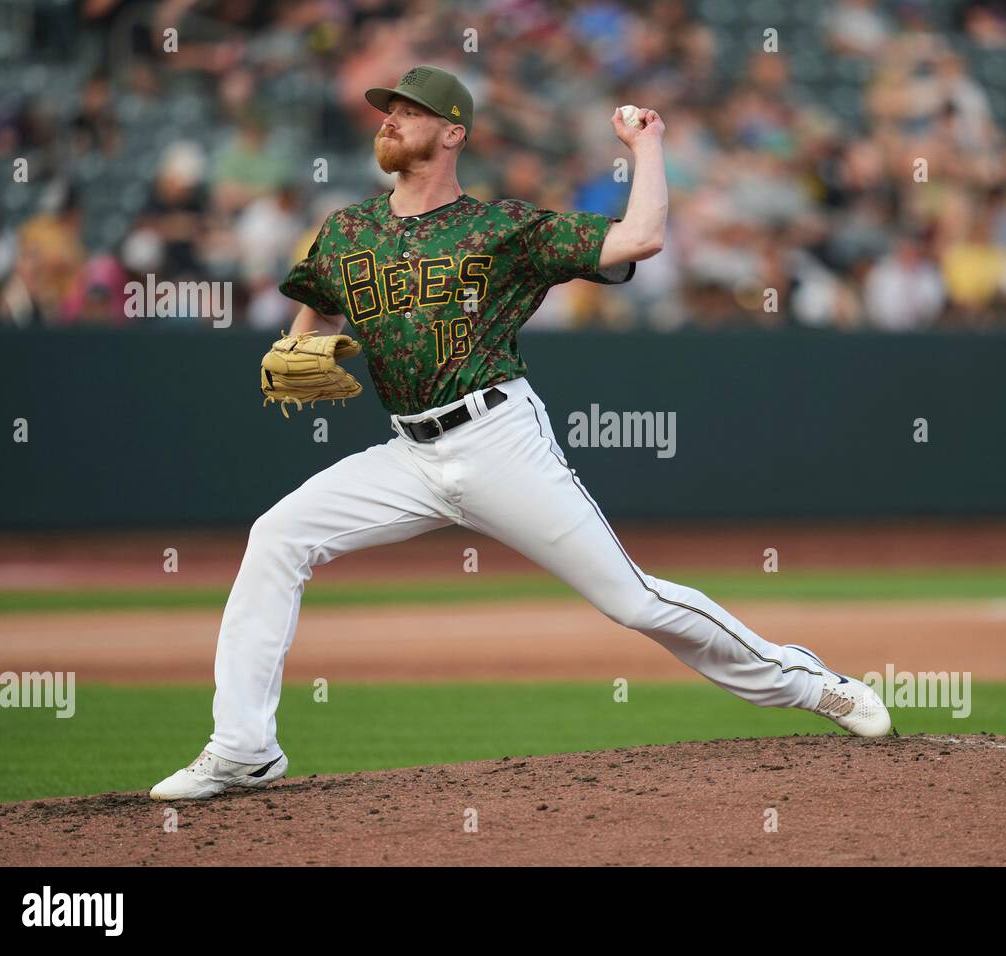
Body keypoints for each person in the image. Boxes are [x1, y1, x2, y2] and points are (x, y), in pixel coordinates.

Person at [150, 65, 891, 801]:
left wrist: (648, 146)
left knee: (633, 601)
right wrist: (302, 347)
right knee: (277, 536)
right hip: (409, 453)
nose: (387, 119)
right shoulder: (349, 231)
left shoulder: (502, 229)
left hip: (498, 439)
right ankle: (243, 747)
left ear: (452, 132)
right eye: (386, 109)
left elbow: (641, 237)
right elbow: (318, 301)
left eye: (406, 110)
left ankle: (810, 682)